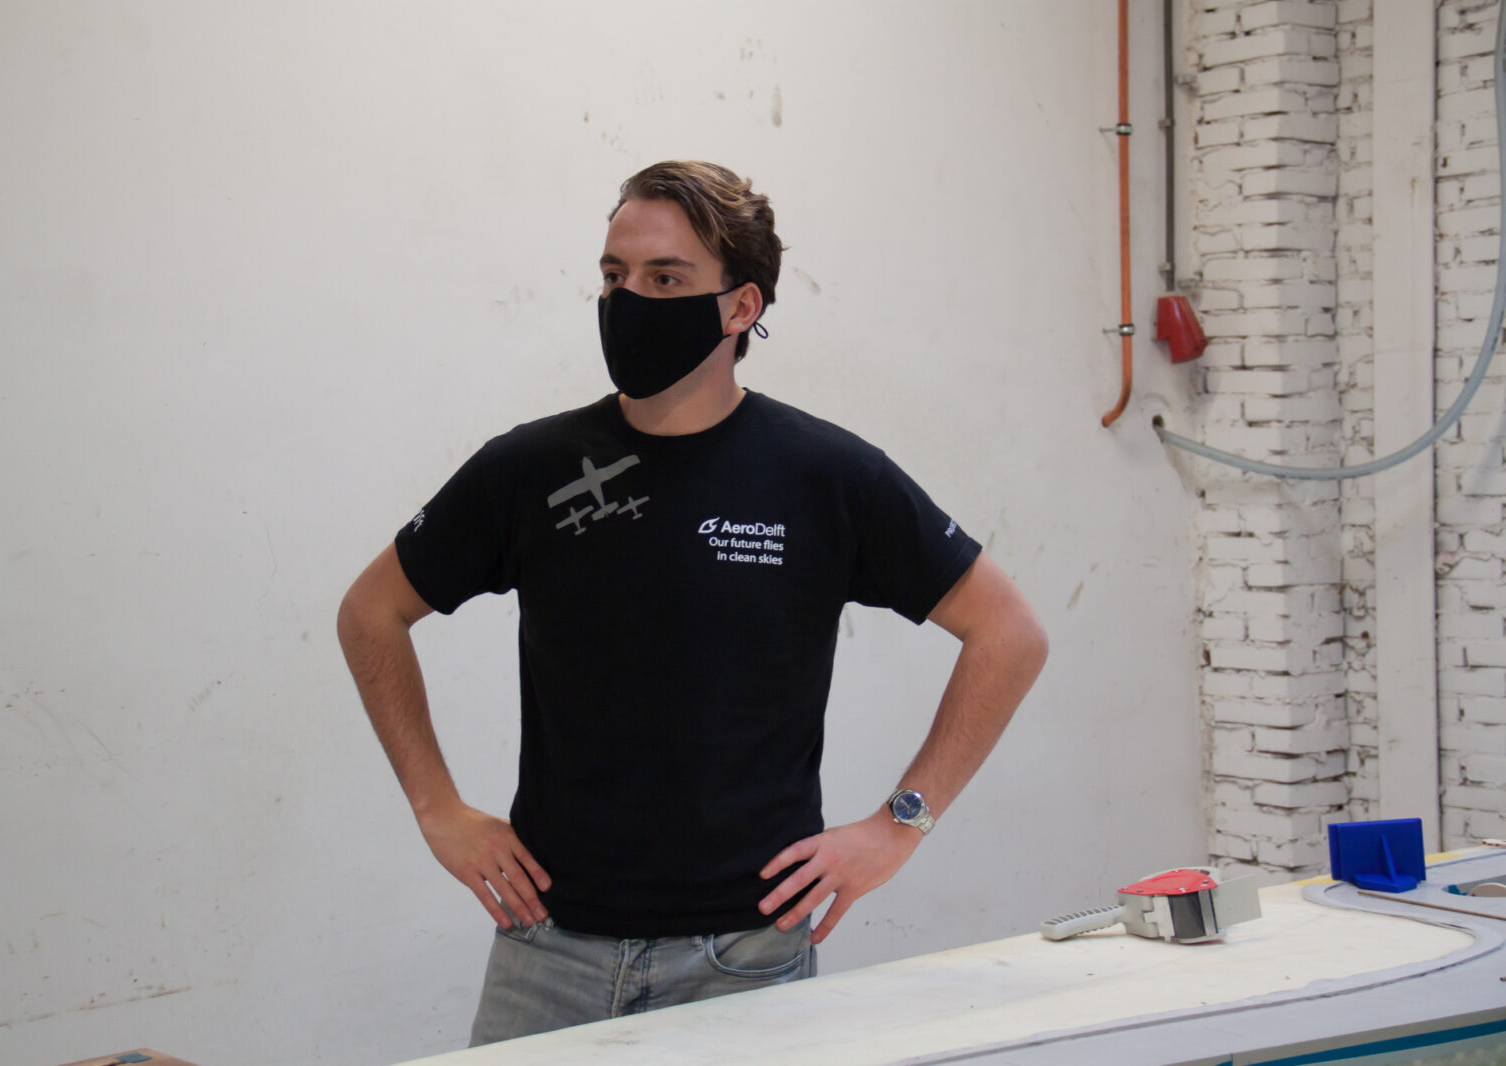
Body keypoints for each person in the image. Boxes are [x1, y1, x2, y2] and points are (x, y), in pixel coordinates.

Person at [337, 160, 1048, 1047]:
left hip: (743, 961)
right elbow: (370, 612)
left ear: (741, 306)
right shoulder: (530, 470)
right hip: (546, 951)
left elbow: (1008, 633)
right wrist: (436, 807)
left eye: (665, 279)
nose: (628, 299)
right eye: (614, 275)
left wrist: (900, 824)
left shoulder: (825, 475)